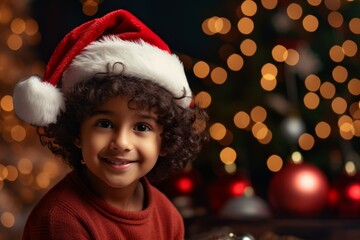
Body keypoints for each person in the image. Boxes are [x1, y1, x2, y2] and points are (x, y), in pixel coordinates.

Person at [13, 9, 208, 240]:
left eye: (142, 127)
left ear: (165, 140)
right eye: (104, 124)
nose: (122, 142)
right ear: (77, 131)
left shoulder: (168, 215)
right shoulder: (63, 219)